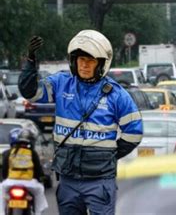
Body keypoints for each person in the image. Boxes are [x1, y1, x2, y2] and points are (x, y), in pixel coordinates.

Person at [19, 30, 144, 214]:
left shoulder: (117, 95)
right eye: (81, 60)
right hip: (69, 179)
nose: (84, 65)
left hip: (100, 180)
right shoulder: (61, 83)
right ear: (74, 61)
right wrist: (30, 63)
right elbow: (30, 93)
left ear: (101, 64)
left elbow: (134, 132)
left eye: (90, 61)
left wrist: (109, 155)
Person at [0, 128, 48, 214]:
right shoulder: (32, 153)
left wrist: (4, 178)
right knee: (40, 191)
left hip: (11, 182)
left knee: (1, 192)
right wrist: (41, 178)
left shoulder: (10, 152)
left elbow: (4, 169)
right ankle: (37, 213)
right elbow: (38, 169)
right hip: (29, 183)